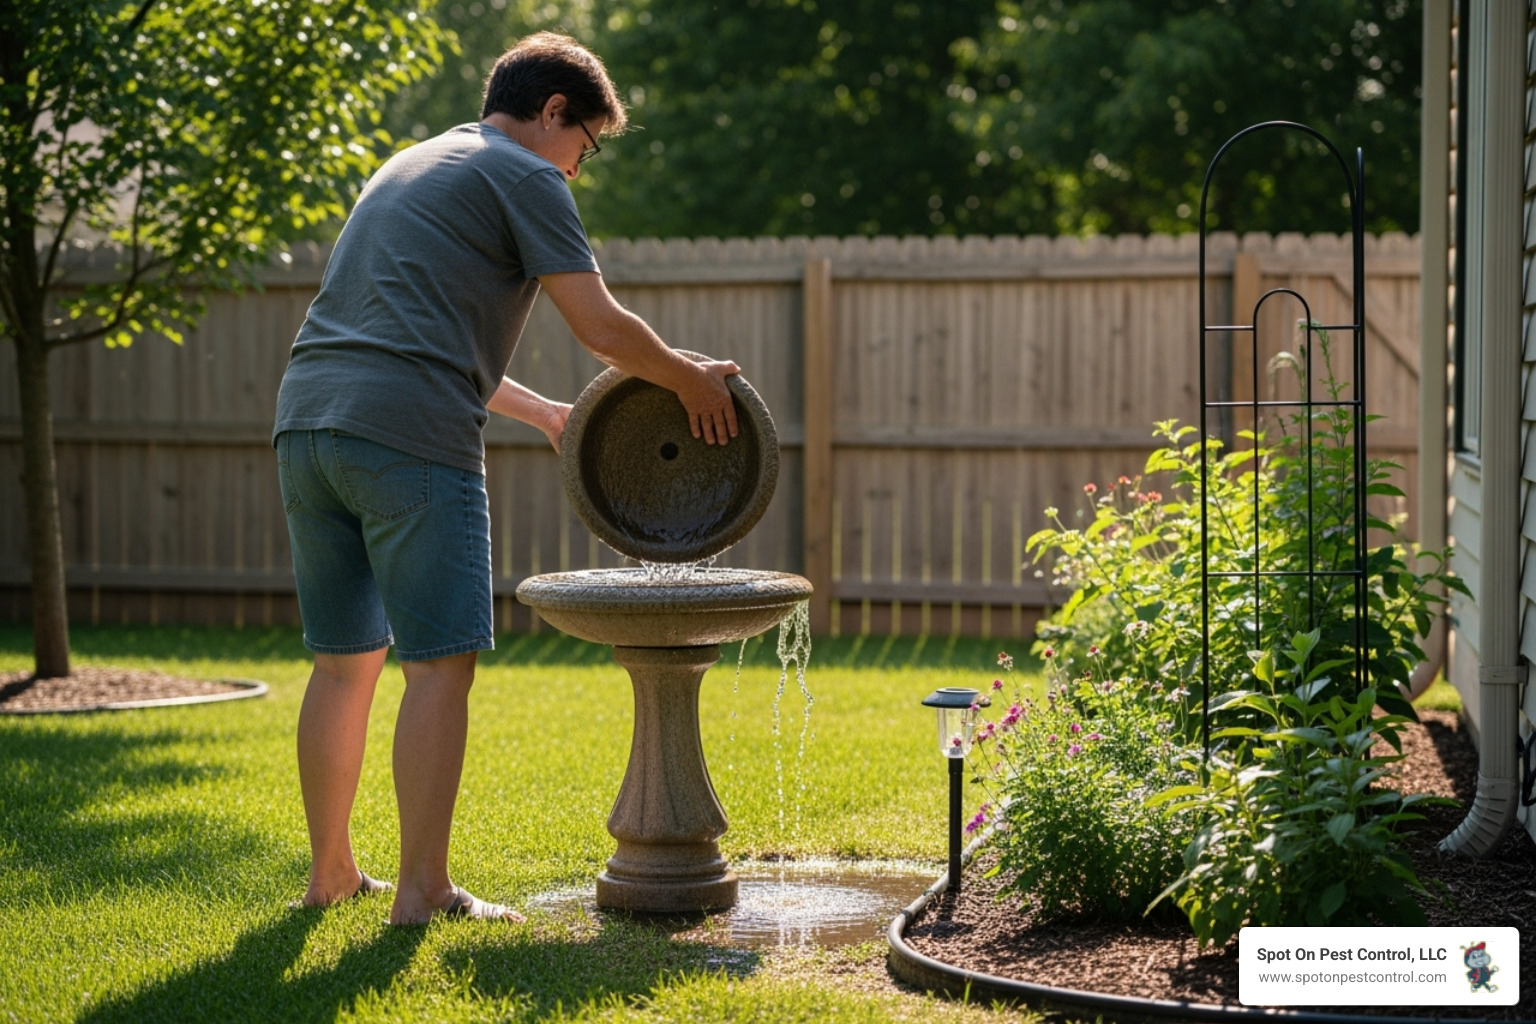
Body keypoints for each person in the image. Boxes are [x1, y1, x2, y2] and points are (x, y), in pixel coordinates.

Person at [272, 32, 739, 925]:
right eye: (586, 145)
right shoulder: (525, 175)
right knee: (439, 668)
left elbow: (418, 332)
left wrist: (552, 417)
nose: (579, 168)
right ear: (554, 111)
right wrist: (683, 377)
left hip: (307, 424)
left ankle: (329, 873)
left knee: (342, 666)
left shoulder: (414, 162)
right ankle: (424, 892)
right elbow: (598, 326)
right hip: (407, 435)